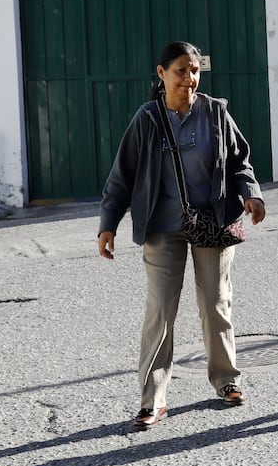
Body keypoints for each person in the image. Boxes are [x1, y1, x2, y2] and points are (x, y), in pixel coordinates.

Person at [98, 41, 267, 431]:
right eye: (180, 71)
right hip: (162, 226)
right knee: (161, 310)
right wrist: (109, 224)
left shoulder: (216, 113)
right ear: (162, 74)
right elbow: (121, 175)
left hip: (212, 220)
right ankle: (153, 398)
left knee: (215, 303)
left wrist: (252, 194)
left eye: (194, 71)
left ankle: (226, 380)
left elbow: (240, 161)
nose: (189, 78)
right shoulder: (147, 119)